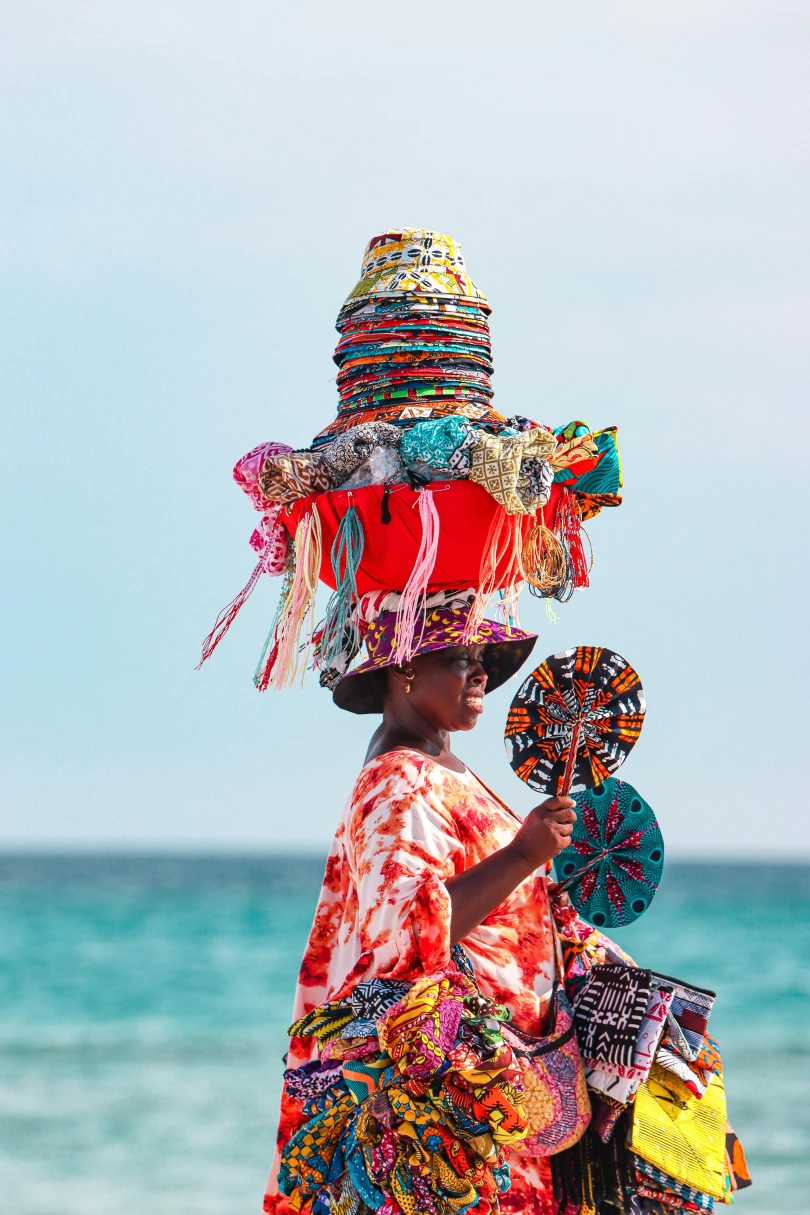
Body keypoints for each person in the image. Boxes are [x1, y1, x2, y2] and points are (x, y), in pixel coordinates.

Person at [264, 603, 581, 1215]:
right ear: (404, 669)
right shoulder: (399, 780)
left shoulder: (439, 768)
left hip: (503, 1088)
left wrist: (538, 884)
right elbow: (406, 939)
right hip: (453, 1110)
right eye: (462, 658)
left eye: (482, 660)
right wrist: (521, 856)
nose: (482, 674)